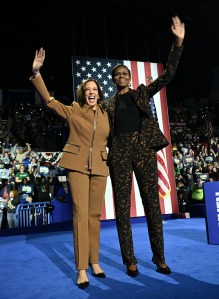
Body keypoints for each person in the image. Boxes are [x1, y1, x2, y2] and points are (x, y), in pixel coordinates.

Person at [103, 15, 185, 276]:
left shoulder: (141, 92)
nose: (122, 77)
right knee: (123, 210)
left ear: (129, 77)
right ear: (114, 80)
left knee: (152, 206)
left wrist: (178, 42)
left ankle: (159, 258)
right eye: (118, 75)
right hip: (119, 152)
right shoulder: (107, 105)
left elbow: (168, 76)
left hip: (143, 149)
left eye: (125, 73)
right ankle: (130, 260)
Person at [30, 48, 110, 289]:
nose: (91, 93)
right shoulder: (74, 110)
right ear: (82, 93)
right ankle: (82, 268)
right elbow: (50, 102)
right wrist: (36, 72)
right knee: (80, 214)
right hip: (76, 165)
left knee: (95, 216)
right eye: (88, 90)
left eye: (95, 90)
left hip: (100, 166)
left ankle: (94, 262)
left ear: (100, 93)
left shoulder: (108, 114)